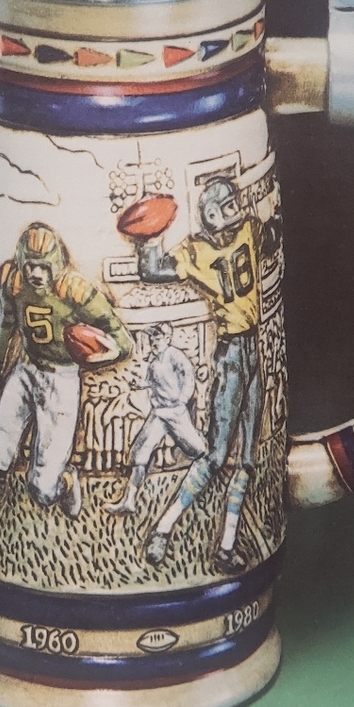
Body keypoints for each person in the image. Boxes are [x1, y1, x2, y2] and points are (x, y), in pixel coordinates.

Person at [128, 177, 279, 574]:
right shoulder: (200, 249)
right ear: (211, 214)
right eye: (227, 205)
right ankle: (163, 528)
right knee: (215, 456)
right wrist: (149, 234)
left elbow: (272, 237)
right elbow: (152, 271)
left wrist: (149, 240)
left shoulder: (241, 232)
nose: (236, 209)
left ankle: (226, 546)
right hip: (232, 354)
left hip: (250, 350)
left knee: (247, 460)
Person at [0, 222, 132, 567]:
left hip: (61, 380)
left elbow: (122, 339)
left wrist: (103, 354)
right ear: (21, 262)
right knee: (0, 453)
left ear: (56, 264)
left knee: (41, 491)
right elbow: (7, 324)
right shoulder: (12, 281)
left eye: (44, 266)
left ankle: (66, 481)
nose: (36, 274)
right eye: (31, 266)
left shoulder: (75, 290)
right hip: (26, 370)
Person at [105, 322, 206, 515]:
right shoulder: (153, 361)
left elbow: (189, 376)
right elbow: (151, 383)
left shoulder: (175, 356)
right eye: (152, 338)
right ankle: (129, 500)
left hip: (175, 413)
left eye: (157, 337)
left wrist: (182, 399)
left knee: (198, 450)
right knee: (140, 453)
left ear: (167, 338)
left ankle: (202, 490)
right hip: (159, 413)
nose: (153, 341)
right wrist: (140, 385)